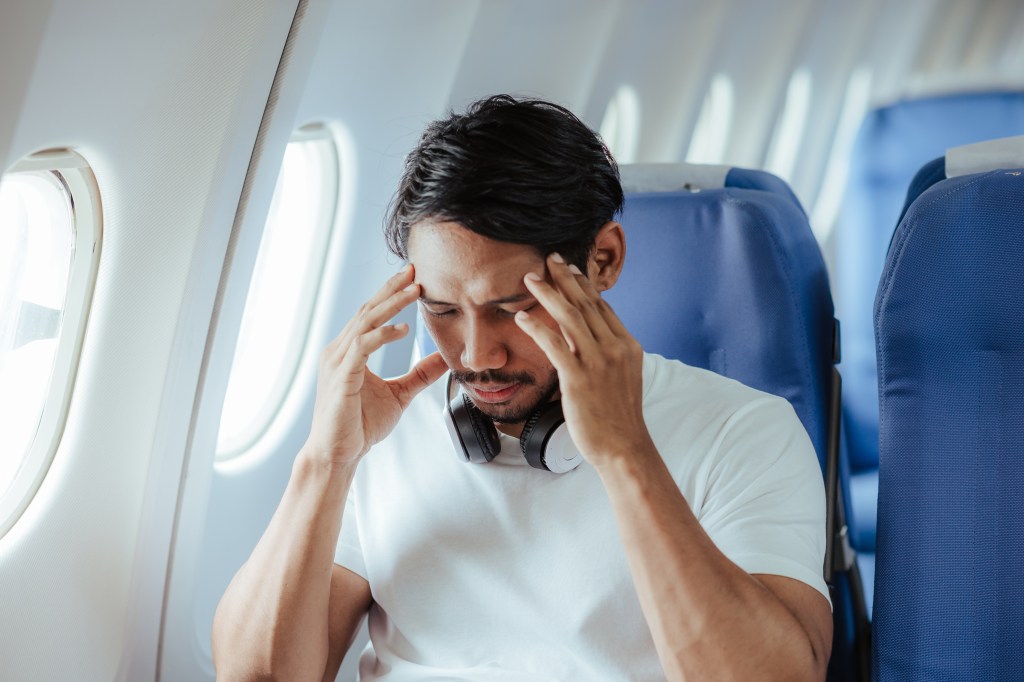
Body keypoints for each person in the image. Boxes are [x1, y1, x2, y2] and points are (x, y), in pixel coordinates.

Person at [212, 95, 833, 681]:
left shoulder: (743, 431)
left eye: (512, 307)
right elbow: (257, 676)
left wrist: (625, 456)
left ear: (604, 261)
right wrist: (325, 461)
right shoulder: (378, 443)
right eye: (443, 309)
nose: (477, 355)